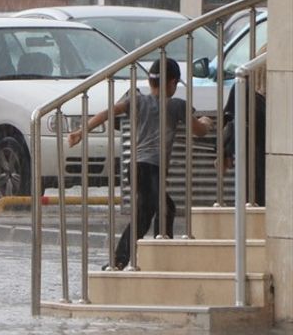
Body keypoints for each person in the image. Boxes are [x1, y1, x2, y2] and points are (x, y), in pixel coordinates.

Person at [68, 58, 213, 270]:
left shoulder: (137, 101)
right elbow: (199, 131)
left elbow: (108, 112)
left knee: (164, 207)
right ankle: (122, 259)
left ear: (150, 80)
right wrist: (207, 122)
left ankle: (159, 249)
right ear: (173, 82)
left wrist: (81, 131)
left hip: (135, 167)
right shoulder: (176, 105)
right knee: (148, 214)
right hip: (152, 169)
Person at [221, 43, 267, 206]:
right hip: (259, 158)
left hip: (250, 159)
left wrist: (223, 151)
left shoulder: (243, 87)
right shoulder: (246, 89)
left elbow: (228, 120)